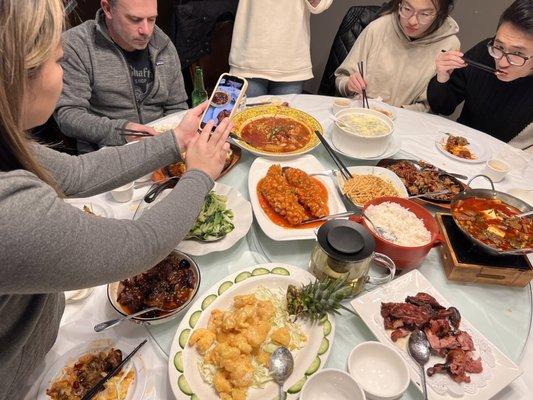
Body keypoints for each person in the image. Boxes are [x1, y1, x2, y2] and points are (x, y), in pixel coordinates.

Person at [0, 0, 232, 398]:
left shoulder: (8, 141)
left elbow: (78, 172)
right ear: (21, 75)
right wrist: (199, 176)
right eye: (57, 61)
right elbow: (138, 247)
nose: (62, 72)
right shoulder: (12, 211)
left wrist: (175, 139)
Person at [55, 0, 189, 153]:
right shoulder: (78, 45)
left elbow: (177, 107)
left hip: (162, 150)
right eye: (134, 19)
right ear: (108, 9)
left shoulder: (163, 44)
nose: (146, 30)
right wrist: (123, 131)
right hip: (106, 156)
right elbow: (68, 116)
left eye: (151, 19)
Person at [428, 0, 533, 149]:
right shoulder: (485, 52)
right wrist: (442, 78)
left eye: (517, 53)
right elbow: (443, 107)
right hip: (459, 147)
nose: (502, 62)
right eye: (499, 46)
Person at [335, 0, 459, 112]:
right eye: (407, 9)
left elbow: (432, 106)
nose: (412, 21)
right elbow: (341, 78)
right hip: (360, 114)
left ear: (440, 14)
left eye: (424, 14)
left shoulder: (448, 45)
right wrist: (349, 85)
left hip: (408, 126)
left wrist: (395, 112)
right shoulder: (379, 27)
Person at [229, 0, 333, 98]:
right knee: (244, 116)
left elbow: (319, 5)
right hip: (249, 59)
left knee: (284, 116)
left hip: (291, 62)